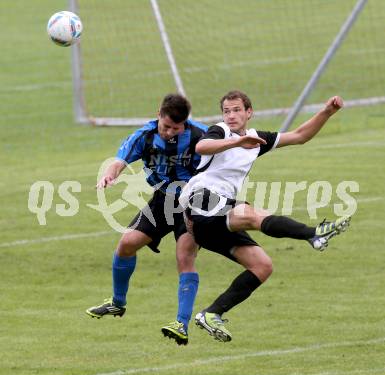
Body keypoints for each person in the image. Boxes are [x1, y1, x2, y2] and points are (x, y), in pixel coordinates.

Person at [179, 90, 351, 342]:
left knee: (262, 265)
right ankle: (313, 234)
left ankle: (211, 313)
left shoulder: (256, 138)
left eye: (237, 110)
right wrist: (237, 142)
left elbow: (300, 136)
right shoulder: (221, 131)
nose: (231, 115)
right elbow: (202, 146)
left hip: (213, 223)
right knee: (249, 213)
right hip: (200, 200)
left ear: (249, 112)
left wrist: (327, 112)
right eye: (227, 111)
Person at [86, 93, 207, 345]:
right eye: (165, 126)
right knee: (126, 244)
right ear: (158, 115)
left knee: (185, 257)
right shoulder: (145, 136)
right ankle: (117, 303)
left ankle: (181, 324)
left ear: (185, 124)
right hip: (162, 200)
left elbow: (226, 151)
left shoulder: (200, 135)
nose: (169, 132)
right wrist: (110, 175)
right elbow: (119, 160)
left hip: (192, 203)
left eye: (175, 128)